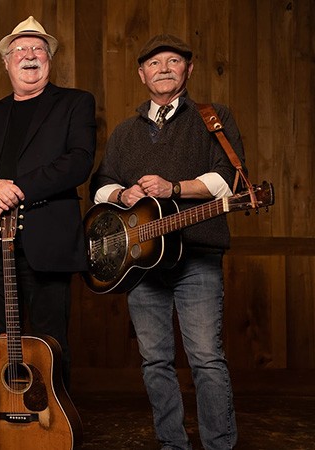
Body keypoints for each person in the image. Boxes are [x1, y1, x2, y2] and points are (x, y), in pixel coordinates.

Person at [89, 34, 240, 449]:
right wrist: (123, 195)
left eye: (174, 61)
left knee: (206, 360)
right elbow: (99, 187)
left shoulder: (213, 117)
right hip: (141, 263)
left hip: (198, 257)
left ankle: (219, 445)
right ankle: (172, 444)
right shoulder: (124, 132)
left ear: (188, 70)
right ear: (142, 75)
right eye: (155, 63)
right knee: (155, 361)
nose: (164, 68)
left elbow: (225, 180)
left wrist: (172, 187)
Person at [0, 16, 96, 385]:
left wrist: (15, 189)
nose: (29, 55)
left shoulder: (75, 103)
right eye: (20, 49)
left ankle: (54, 426)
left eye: (38, 49)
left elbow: (79, 161)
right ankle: (6, 425)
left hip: (48, 244)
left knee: (52, 343)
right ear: (6, 62)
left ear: (49, 59)